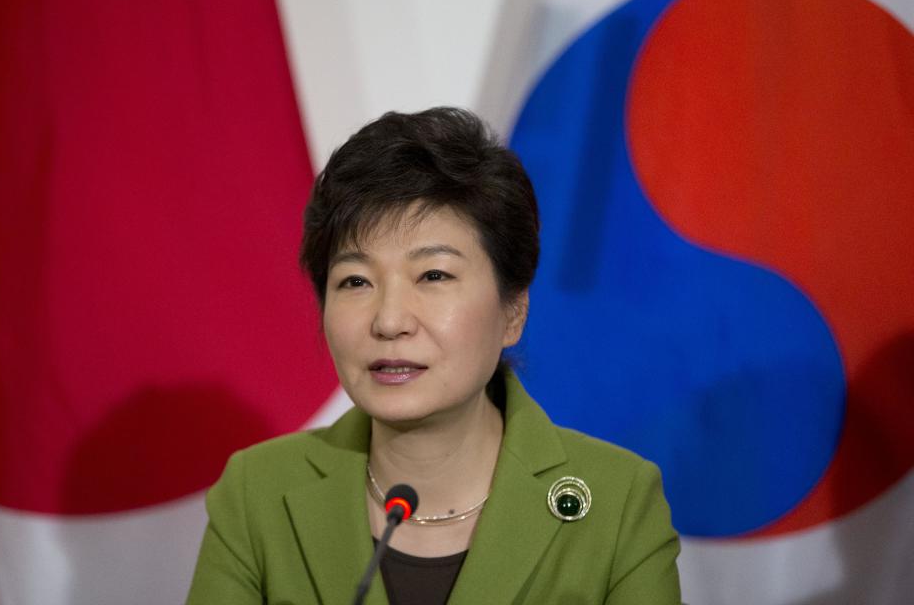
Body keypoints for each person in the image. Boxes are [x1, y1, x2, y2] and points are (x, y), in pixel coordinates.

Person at [186, 107, 681, 604]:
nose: (389, 320)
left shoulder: (617, 502)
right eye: (355, 281)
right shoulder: (258, 493)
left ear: (513, 311)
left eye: (434, 276)